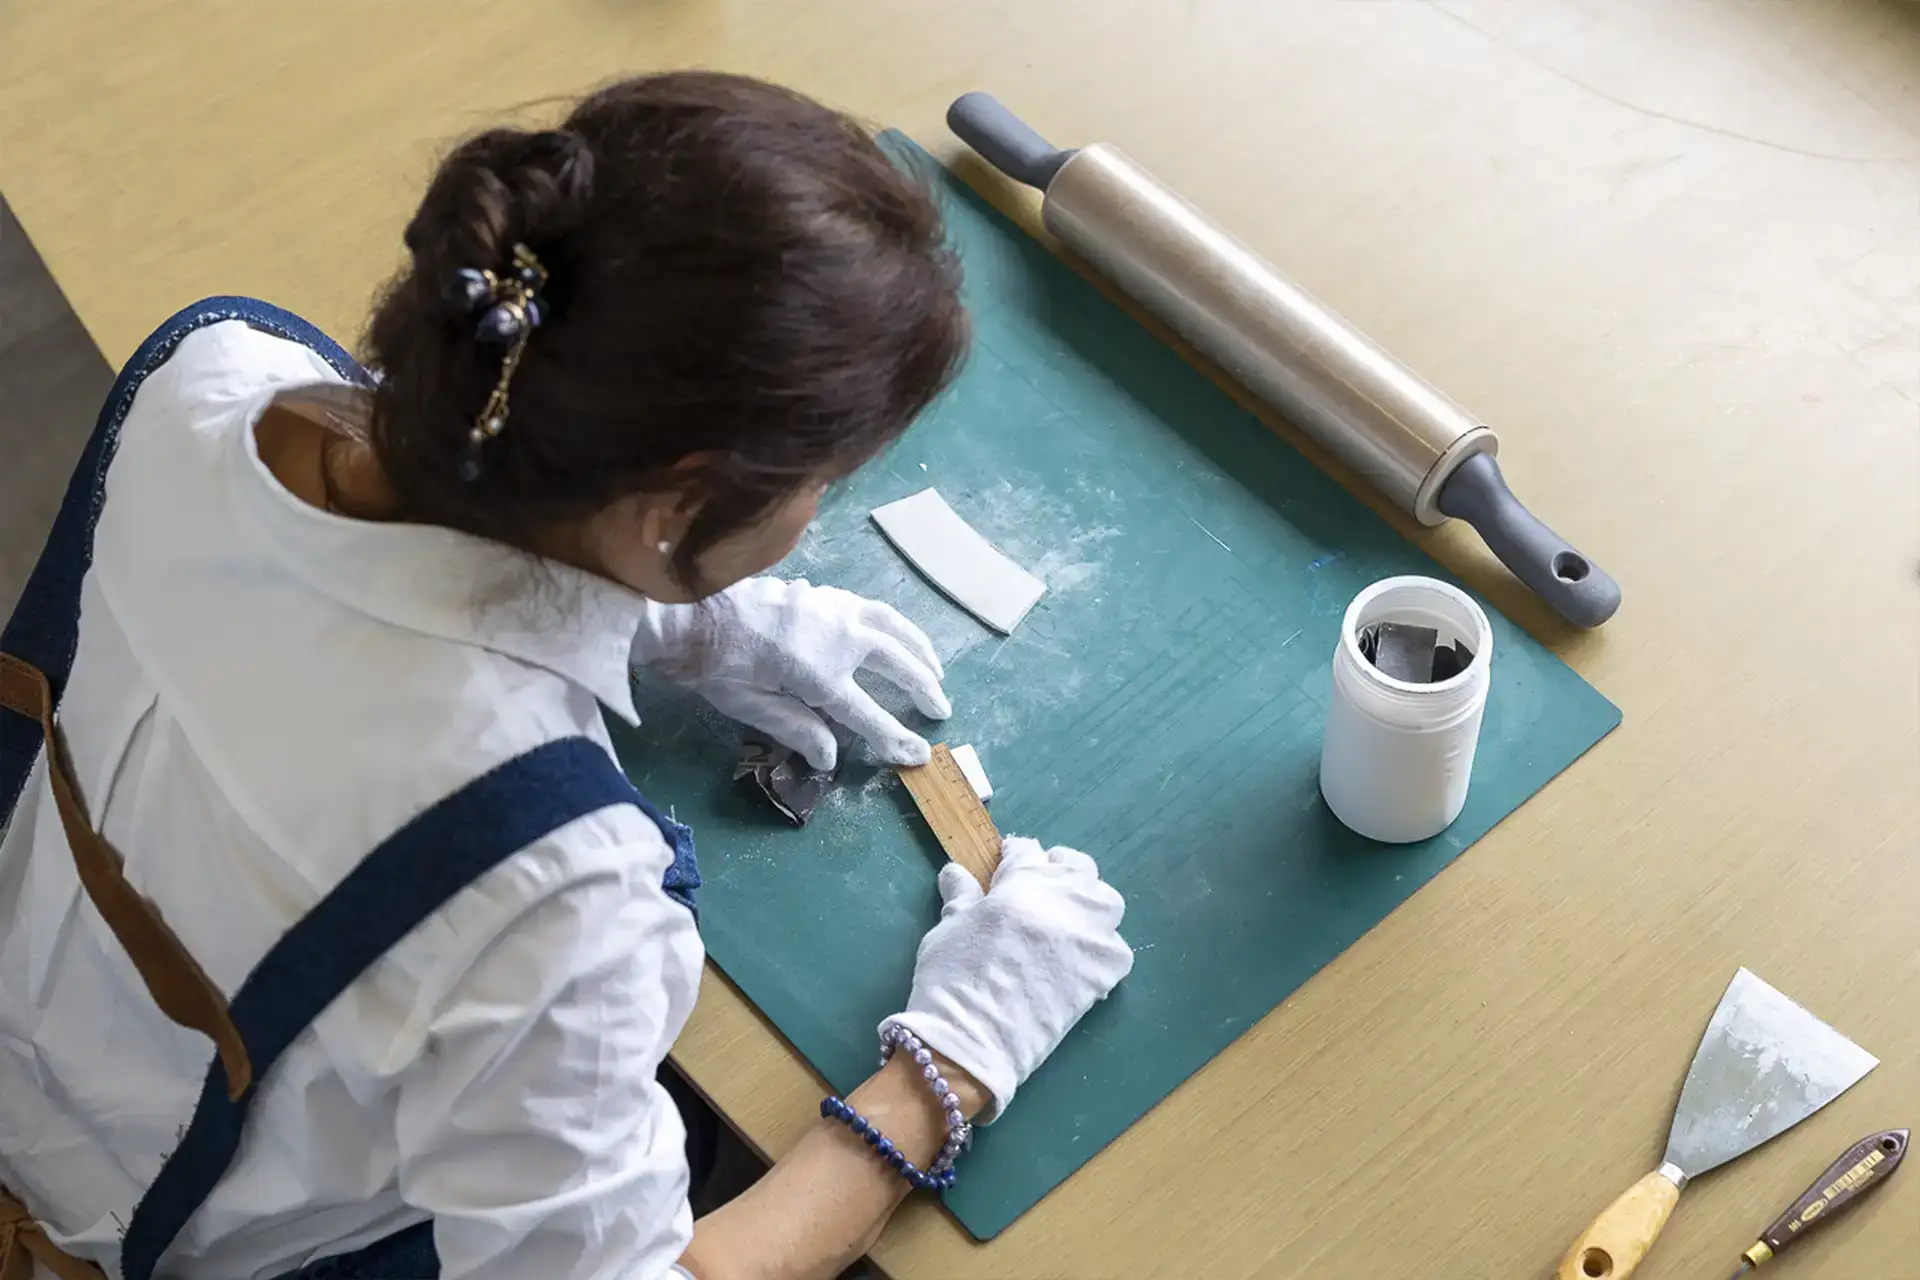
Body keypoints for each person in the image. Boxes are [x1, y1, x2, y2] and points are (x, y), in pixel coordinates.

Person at [0, 72, 1132, 1280]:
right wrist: (945, 1070)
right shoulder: (553, 894)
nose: (814, 509)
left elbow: (357, 556)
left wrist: (670, 617)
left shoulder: (218, 367)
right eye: (821, 481)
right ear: (676, 501)